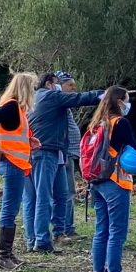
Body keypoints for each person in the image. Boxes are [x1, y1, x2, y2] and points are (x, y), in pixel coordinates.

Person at [23, 73, 104, 254]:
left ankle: (42, 236)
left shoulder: (34, 99)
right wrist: (102, 94)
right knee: (43, 198)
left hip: (49, 152)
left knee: (50, 196)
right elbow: (79, 98)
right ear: (50, 84)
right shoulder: (49, 95)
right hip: (44, 153)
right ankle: (40, 241)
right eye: (59, 84)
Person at [0, 72, 40, 268]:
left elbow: (10, 133)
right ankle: (2, 255)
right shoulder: (12, 107)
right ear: (26, 88)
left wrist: (28, 141)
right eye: (32, 88)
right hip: (12, 163)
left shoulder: (16, 109)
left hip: (14, 163)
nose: (34, 92)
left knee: (12, 207)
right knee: (10, 207)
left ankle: (6, 253)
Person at [86, 86, 136, 272]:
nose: (128, 104)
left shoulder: (96, 124)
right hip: (115, 182)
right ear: (119, 102)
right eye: (126, 100)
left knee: (101, 230)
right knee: (117, 232)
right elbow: (134, 150)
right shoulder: (121, 123)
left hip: (96, 182)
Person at [50, 71, 82, 243]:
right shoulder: (59, 106)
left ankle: (66, 228)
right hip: (65, 153)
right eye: (70, 85)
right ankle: (65, 229)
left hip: (68, 153)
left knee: (67, 192)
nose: (73, 89)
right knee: (66, 192)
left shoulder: (63, 106)